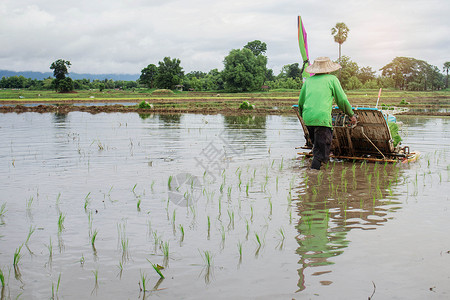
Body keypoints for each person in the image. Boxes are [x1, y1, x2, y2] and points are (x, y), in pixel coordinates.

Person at [298, 56, 357, 170]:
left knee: (318, 146)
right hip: (322, 119)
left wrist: (303, 114)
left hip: (308, 118)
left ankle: (321, 170)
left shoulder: (308, 81)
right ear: (328, 69)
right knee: (320, 152)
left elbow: (301, 101)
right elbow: (342, 100)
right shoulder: (332, 79)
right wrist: (351, 114)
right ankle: (313, 176)